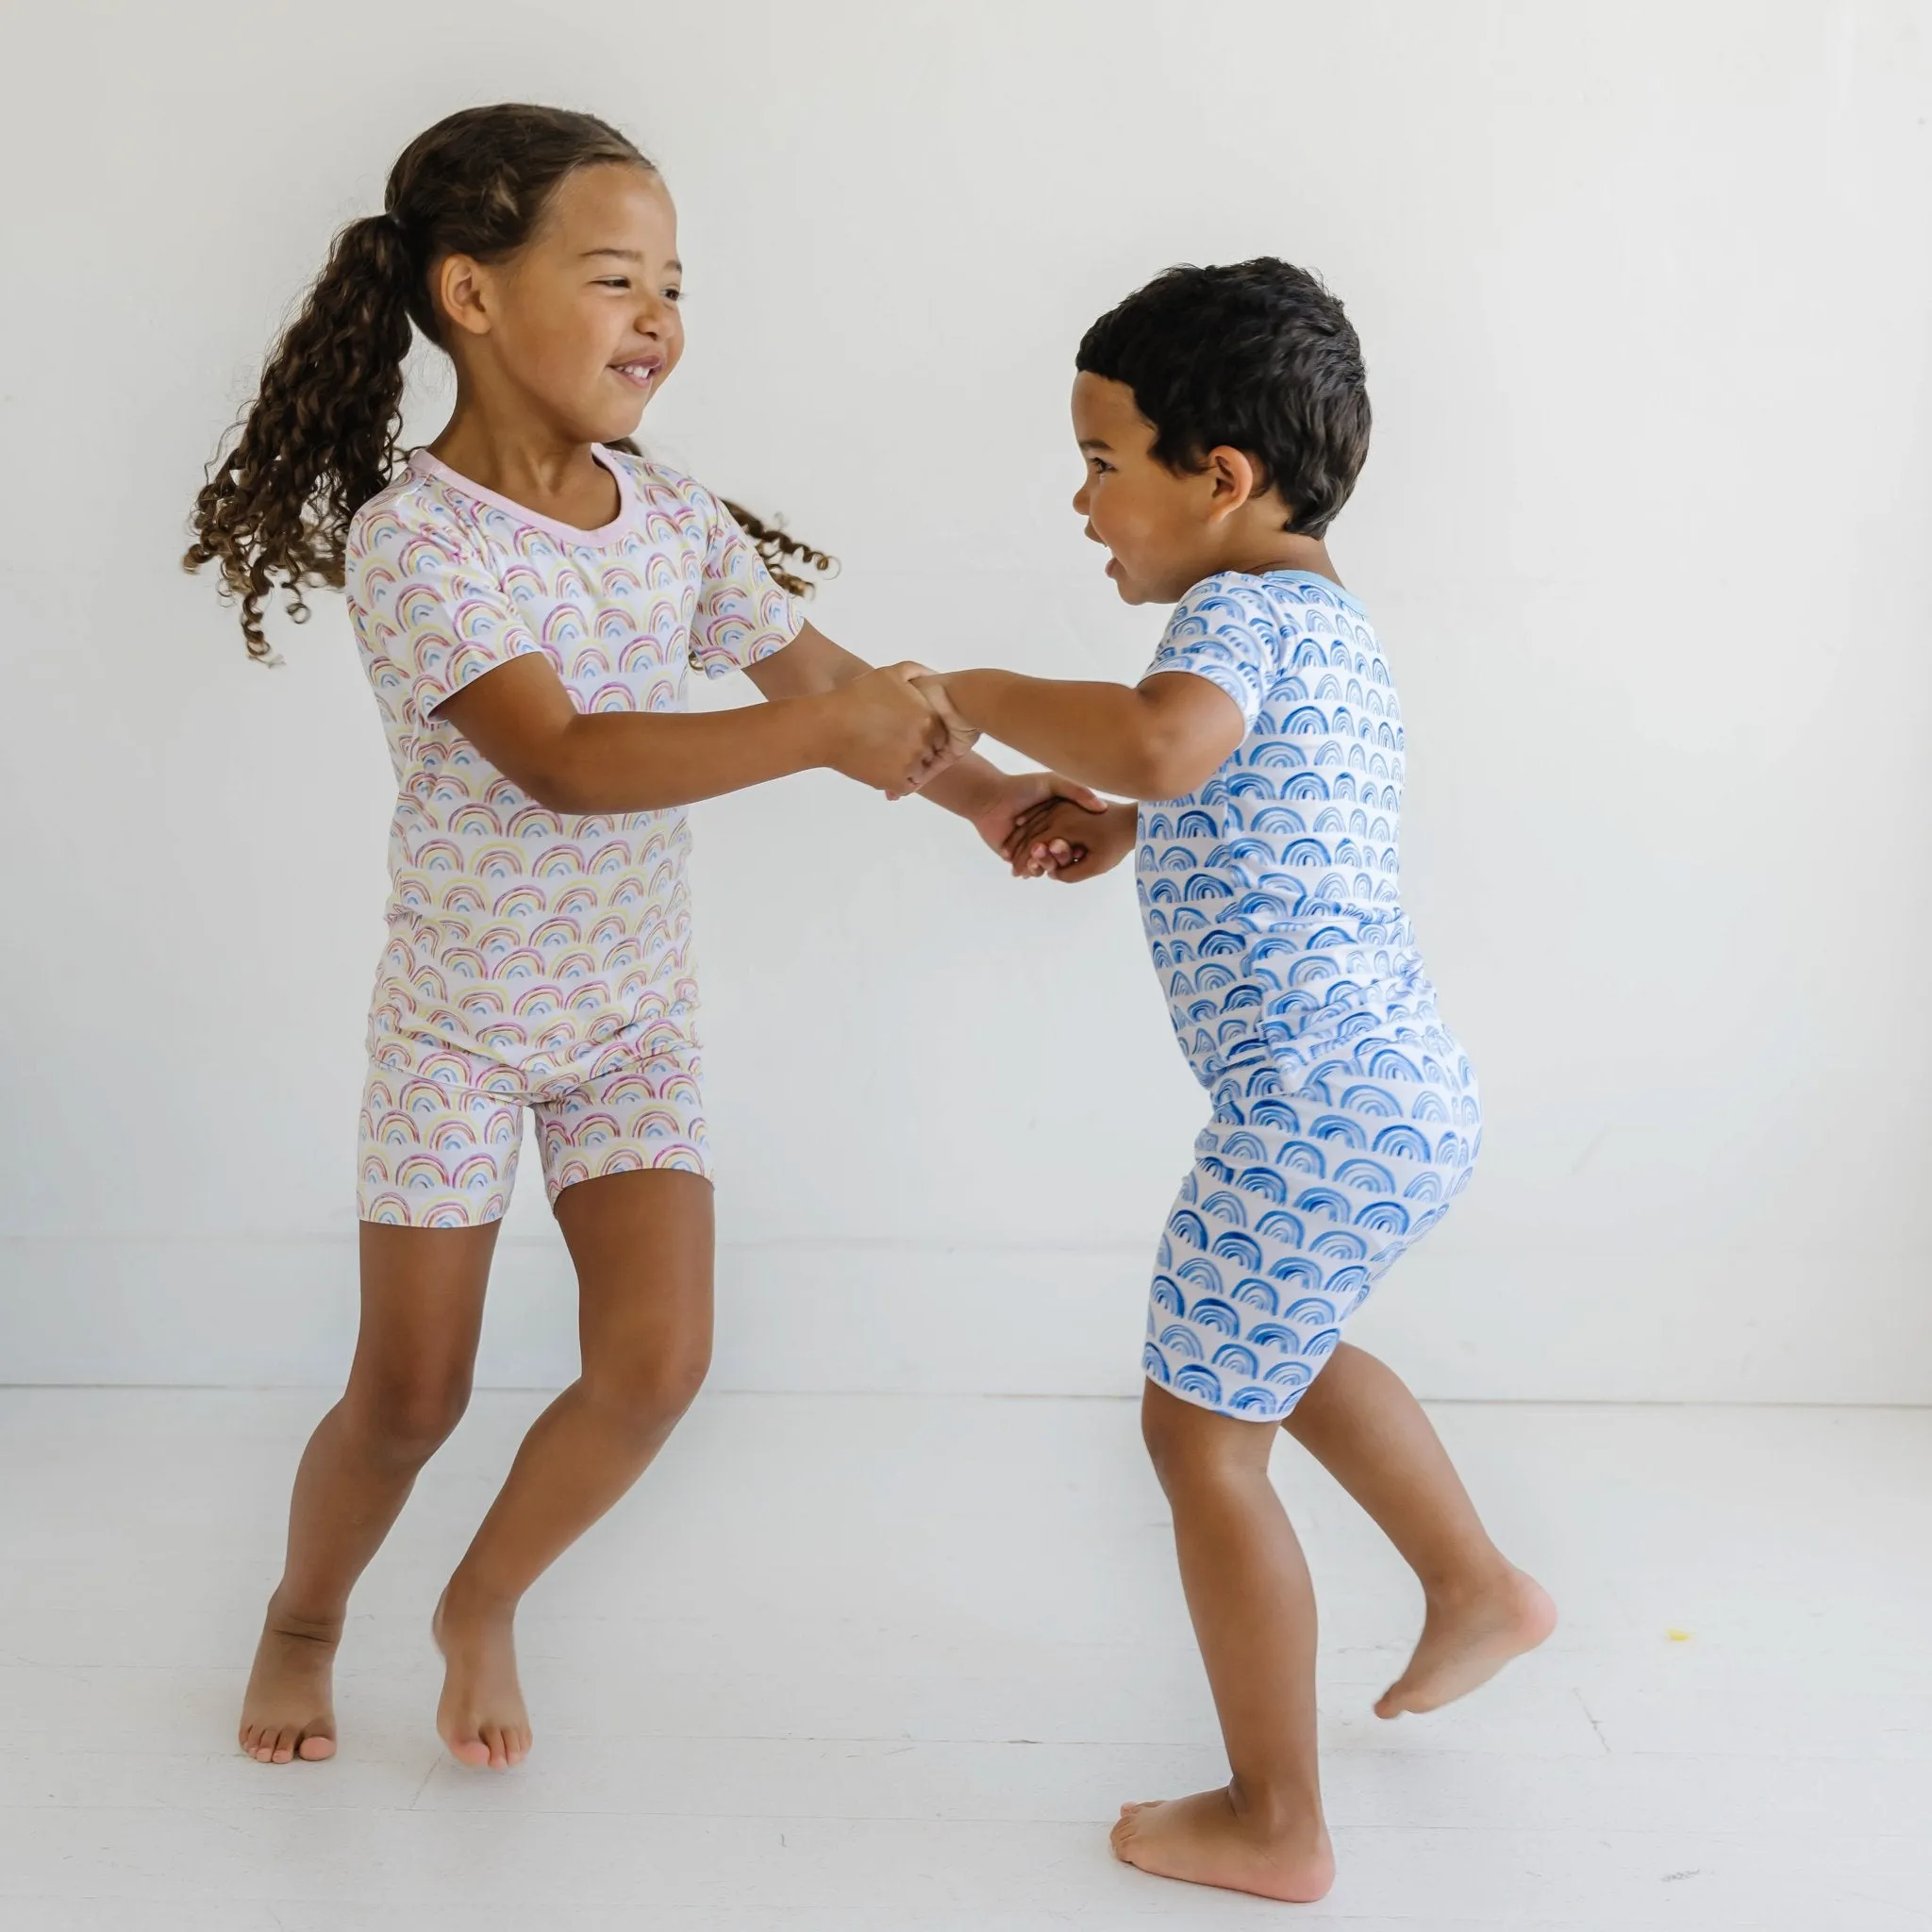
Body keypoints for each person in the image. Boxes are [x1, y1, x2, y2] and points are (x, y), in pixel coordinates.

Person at [184, 101, 1093, 1773]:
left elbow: (825, 687)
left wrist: (986, 797)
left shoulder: (670, 518)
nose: (659, 317)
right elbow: (569, 761)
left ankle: (482, 1601)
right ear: (469, 293)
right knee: (410, 1395)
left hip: (631, 1024)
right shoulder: (417, 542)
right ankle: (305, 1618)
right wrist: (826, 742)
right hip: (458, 1029)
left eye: (674, 281)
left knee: (660, 1364)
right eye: (615, 278)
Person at [921, 259, 1556, 1903]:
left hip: (1314, 1102)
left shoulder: (1234, 616)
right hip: (1389, 1089)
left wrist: (976, 697)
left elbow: (1166, 743)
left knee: (1201, 1435)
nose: (1079, 502)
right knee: (1283, 1348)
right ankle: (1476, 1582)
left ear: (1220, 478)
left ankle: (1277, 1818)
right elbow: (1220, 784)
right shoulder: (1325, 627)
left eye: (1102, 462)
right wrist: (1126, 818)